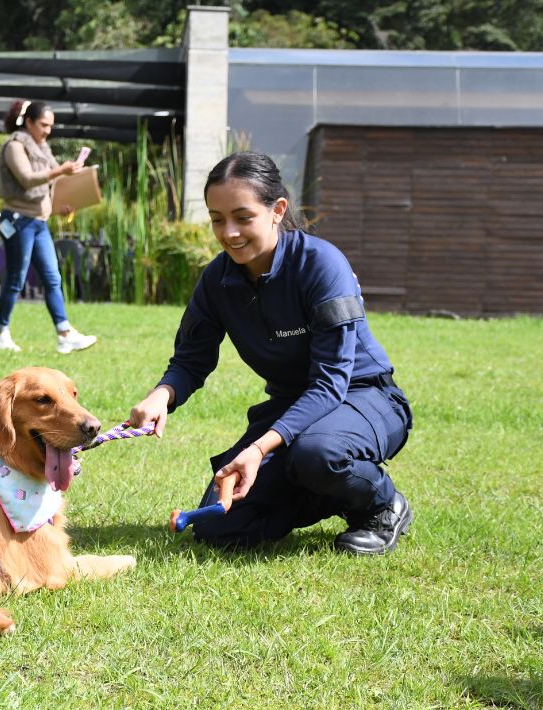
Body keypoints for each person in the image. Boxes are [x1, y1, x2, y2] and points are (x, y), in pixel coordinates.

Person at [127, 152, 413, 555]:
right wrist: (162, 395)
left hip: (363, 397)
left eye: (243, 217)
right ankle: (325, 488)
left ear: (277, 210)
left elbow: (331, 383)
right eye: (216, 219)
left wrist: (259, 449)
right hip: (295, 406)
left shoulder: (321, 265)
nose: (229, 233)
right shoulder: (216, 280)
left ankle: (383, 505)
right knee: (219, 527)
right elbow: (191, 360)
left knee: (319, 453)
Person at [0, 99, 97, 354]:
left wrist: (62, 205)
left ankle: (65, 334)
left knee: (52, 277)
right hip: (17, 221)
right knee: (16, 278)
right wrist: (61, 171)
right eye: (43, 125)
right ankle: (0, 333)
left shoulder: (42, 147)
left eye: (51, 126)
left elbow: (45, 188)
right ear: (29, 122)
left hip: (39, 222)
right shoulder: (15, 146)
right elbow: (27, 180)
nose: (47, 130)